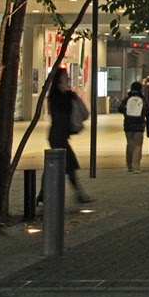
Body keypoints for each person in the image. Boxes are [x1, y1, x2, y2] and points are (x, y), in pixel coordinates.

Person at [41, 68, 92, 203]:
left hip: (61, 135)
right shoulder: (56, 95)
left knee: (59, 165)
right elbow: (60, 114)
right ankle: (79, 194)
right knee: (67, 165)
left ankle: (42, 194)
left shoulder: (67, 94)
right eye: (65, 76)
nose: (67, 78)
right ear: (59, 78)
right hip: (57, 135)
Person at [119, 81, 149, 173]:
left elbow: (120, 109)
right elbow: (148, 115)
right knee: (138, 145)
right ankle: (136, 166)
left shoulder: (127, 99)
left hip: (128, 125)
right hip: (139, 125)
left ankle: (129, 165)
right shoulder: (143, 100)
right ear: (140, 89)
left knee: (130, 144)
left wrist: (127, 110)